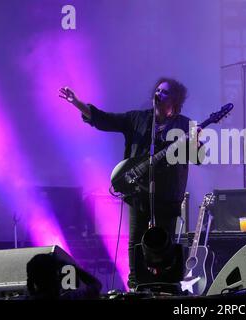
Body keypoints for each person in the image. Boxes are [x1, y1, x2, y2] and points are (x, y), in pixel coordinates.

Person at [59, 78, 203, 289]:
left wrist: (196, 141)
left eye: (164, 92)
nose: (158, 94)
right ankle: (135, 283)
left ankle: (163, 284)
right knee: (135, 239)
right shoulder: (138, 119)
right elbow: (105, 120)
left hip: (168, 194)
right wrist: (77, 102)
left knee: (165, 241)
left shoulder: (184, 125)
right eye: (157, 90)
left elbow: (197, 158)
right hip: (139, 192)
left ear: (174, 99)